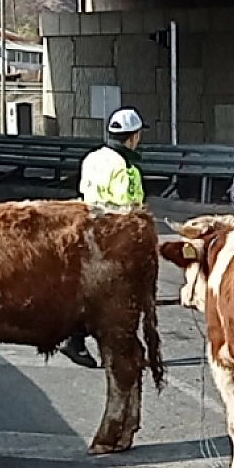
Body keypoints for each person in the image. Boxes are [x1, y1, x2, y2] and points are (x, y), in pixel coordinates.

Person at [62, 107, 146, 368]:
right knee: (122, 295)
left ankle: (77, 341)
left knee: (91, 292)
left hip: (88, 231)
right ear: (132, 137)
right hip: (114, 236)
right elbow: (130, 206)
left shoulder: (92, 158)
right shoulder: (126, 167)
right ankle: (120, 348)